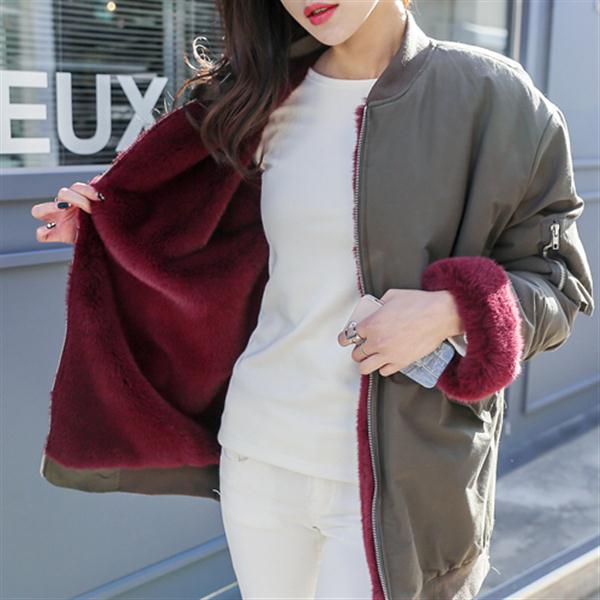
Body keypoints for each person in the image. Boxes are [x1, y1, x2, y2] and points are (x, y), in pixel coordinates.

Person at [33, 1, 595, 599]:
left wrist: (448, 311)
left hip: (403, 477)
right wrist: (110, 230)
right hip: (259, 456)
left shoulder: (492, 96)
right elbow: (206, 248)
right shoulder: (255, 98)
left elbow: (559, 282)